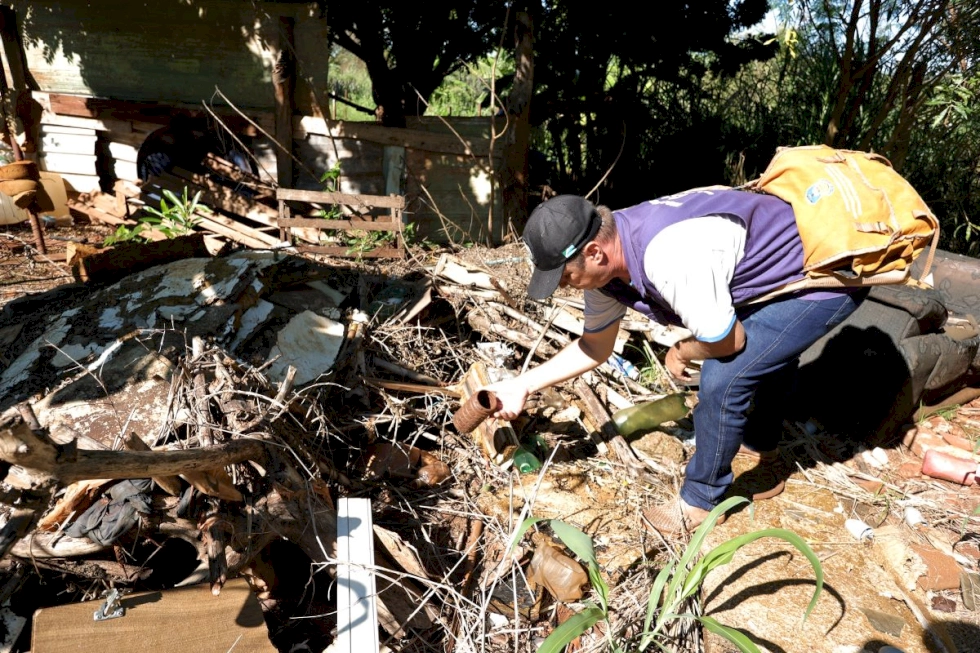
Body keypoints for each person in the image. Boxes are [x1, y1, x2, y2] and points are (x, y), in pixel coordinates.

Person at [486, 190, 865, 536]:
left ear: (594, 253)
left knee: (724, 376)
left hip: (826, 275)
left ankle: (700, 500)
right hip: (772, 276)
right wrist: (522, 384)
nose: (565, 286)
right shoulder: (608, 262)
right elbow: (595, 346)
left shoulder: (666, 255)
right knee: (762, 355)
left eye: (565, 276)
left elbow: (728, 341)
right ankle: (760, 443)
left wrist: (682, 351)